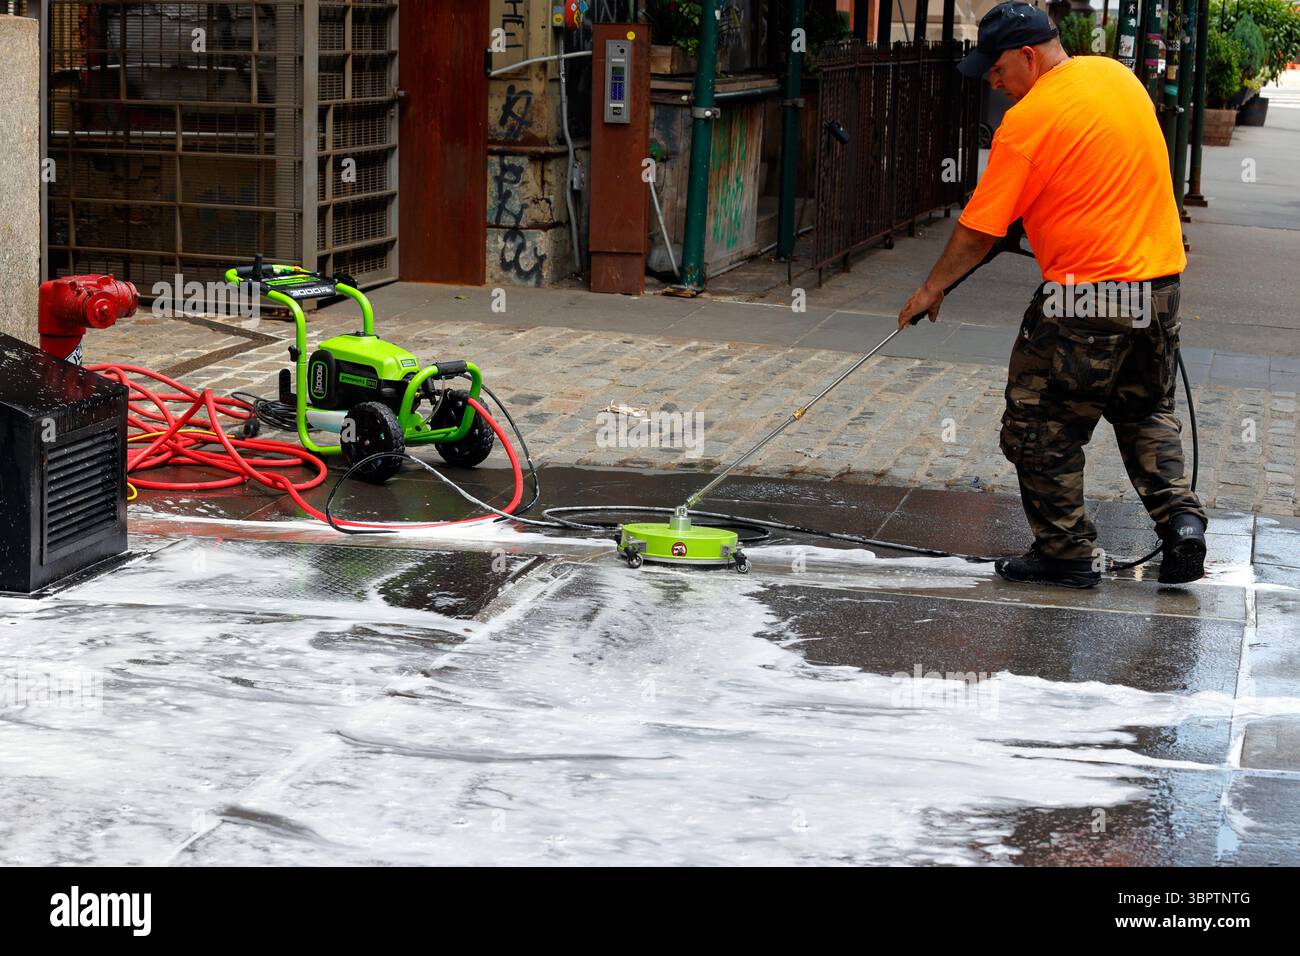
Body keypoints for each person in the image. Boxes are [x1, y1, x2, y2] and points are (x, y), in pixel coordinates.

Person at [896, 1, 1207, 588]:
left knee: (1040, 423)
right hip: (1159, 285)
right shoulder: (1117, 77)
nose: (993, 80)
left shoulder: (1031, 118)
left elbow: (978, 231)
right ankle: (1183, 524)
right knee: (1145, 411)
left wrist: (930, 289)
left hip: (1085, 297)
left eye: (996, 68)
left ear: (1028, 57)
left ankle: (1064, 549)